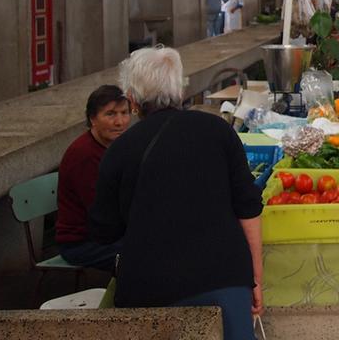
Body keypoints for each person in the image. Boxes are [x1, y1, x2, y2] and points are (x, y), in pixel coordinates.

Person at [90, 47, 263, 340]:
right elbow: (248, 208)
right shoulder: (217, 131)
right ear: (179, 89)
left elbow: (103, 230)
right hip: (225, 278)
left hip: (151, 285)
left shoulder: (119, 151)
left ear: (132, 100)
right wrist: (255, 279)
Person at [56, 84, 130, 270]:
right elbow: (102, 211)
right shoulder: (84, 155)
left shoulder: (116, 147)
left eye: (124, 113)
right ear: (92, 119)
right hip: (81, 244)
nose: (120, 122)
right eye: (110, 114)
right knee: (148, 253)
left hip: (105, 234)